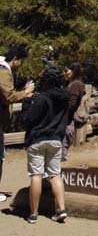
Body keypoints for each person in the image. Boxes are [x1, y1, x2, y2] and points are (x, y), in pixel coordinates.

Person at [21, 66, 70, 224]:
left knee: (36, 175)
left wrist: (27, 100)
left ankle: (33, 214)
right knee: (55, 174)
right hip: (56, 139)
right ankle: (61, 210)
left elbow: (28, 120)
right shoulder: (65, 98)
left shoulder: (42, 98)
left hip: (38, 139)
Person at [0, 45, 35, 202]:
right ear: (15, 59)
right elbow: (8, 96)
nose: (20, 65)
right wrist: (26, 92)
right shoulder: (3, 72)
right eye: (20, 61)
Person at [62, 63, 86, 161]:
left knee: (64, 141)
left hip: (68, 118)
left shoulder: (75, 84)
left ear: (73, 71)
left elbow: (72, 103)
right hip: (69, 117)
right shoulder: (76, 83)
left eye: (67, 71)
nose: (65, 73)